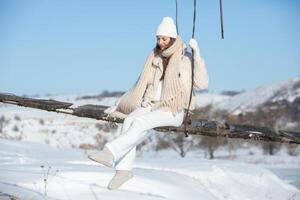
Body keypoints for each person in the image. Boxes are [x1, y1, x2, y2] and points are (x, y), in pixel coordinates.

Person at [88, 16, 209, 190]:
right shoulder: (155, 57)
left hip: (173, 110)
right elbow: (139, 84)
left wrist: (197, 54)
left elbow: (202, 83)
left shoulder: (184, 59)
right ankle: (123, 171)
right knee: (129, 121)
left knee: (140, 122)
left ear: (172, 39)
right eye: (158, 38)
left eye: (164, 39)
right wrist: (120, 102)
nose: (160, 42)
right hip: (151, 104)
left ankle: (110, 152)